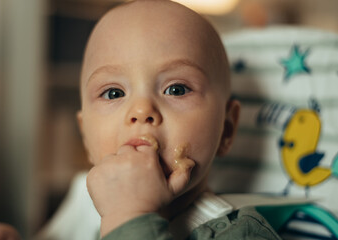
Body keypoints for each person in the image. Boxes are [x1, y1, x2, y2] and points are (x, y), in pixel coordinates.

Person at [38, 0, 281, 239]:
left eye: (176, 89)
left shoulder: (242, 233)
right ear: (85, 136)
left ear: (226, 129)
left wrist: (129, 216)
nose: (142, 110)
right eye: (114, 93)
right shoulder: (83, 203)